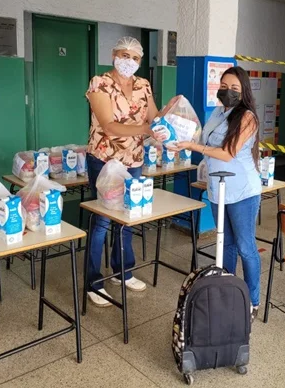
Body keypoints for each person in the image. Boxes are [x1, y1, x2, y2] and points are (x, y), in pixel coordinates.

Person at [174, 66, 262, 320]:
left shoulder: (247, 117)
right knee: (226, 244)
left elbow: (227, 152)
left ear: (243, 91)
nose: (229, 92)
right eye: (225, 86)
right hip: (218, 188)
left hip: (243, 190)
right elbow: (199, 135)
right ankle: (228, 292)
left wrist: (193, 146)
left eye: (235, 88)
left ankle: (252, 301)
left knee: (246, 247)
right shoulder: (216, 112)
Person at [85, 37, 161, 307]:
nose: (128, 61)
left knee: (129, 216)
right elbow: (109, 126)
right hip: (105, 159)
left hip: (134, 160)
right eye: (123, 55)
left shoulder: (143, 85)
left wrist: (170, 121)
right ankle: (93, 281)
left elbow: (154, 116)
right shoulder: (100, 83)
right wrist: (146, 130)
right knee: (102, 222)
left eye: (134, 57)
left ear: (140, 61)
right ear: (113, 54)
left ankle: (123, 271)